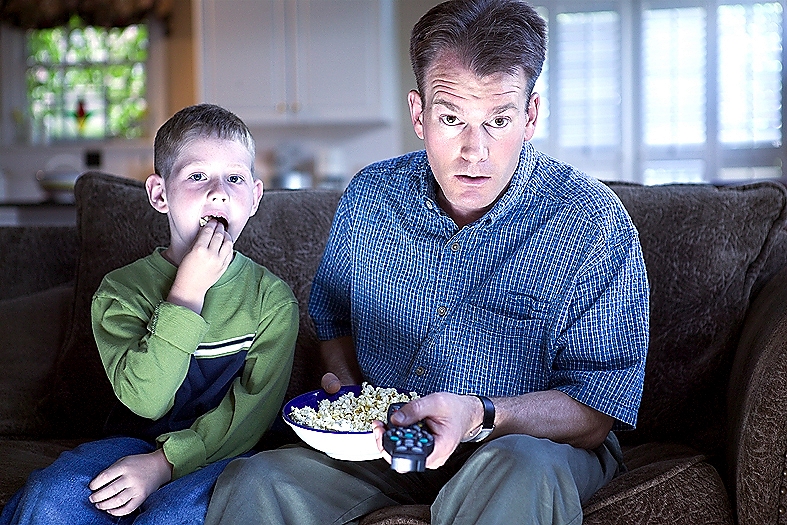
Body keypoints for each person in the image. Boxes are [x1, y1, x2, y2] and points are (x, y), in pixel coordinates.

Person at [204, 0, 649, 523]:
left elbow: (597, 410)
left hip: (525, 445)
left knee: (517, 468)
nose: (474, 150)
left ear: (530, 117)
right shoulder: (370, 197)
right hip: (392, 442)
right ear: (419, 114)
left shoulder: (592, 221)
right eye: (452, 118)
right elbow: (333, 320)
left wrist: (482, 415)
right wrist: (348, 393)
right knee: (256, 481)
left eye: (498, 121)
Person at [0, 103, 299, 525]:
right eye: (197, 176)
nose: (219, 192)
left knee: (175, 517)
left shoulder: (272, 301)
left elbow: (250, 417)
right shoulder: (120, 292)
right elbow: (146, 399)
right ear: (159, 194)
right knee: (51, 501)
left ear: (253, 197)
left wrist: (164, 465)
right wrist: (187, 293)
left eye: (234, 178)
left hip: (222, 451)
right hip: (129, 440)